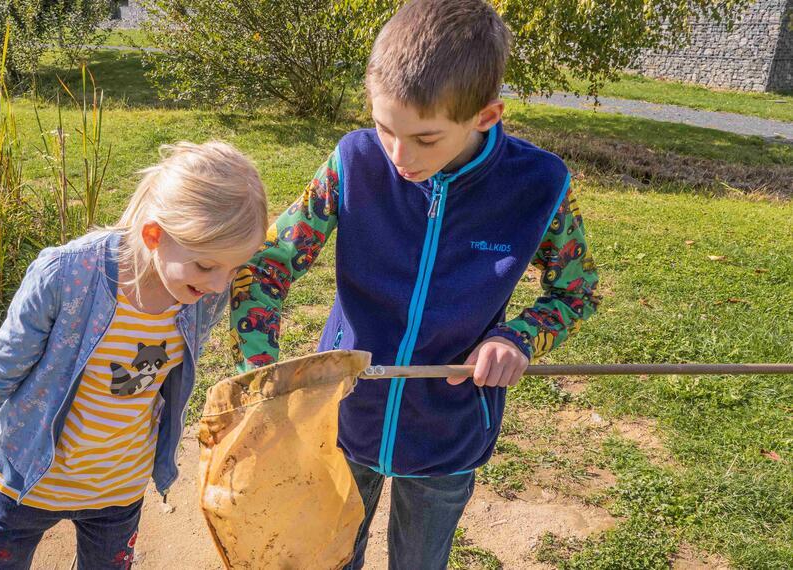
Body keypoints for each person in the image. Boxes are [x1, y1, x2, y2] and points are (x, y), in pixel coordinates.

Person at [228, 1, 600, 567]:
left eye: (426, 139)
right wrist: (261, 376)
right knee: (329, 557)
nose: (400, 157)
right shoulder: (354, 160)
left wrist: (516, 340)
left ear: (486, 115)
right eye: (385, 129)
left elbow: (574, 293)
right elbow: (266, 266)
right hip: (345, 416)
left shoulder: (540, 185)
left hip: (449, 435)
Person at [0, 141, 268, 570]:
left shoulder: (200, 295)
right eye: (207, 266)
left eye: (233, 268)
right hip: (24, 483)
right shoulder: (66, 276)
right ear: (154, 235)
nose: (219, 285)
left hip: (118, 493)